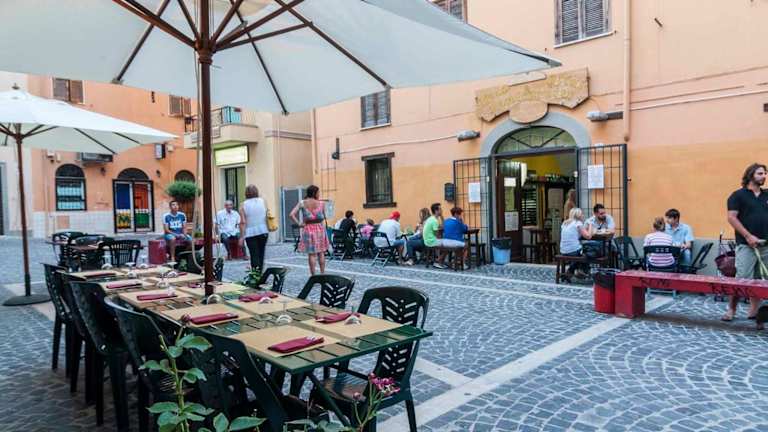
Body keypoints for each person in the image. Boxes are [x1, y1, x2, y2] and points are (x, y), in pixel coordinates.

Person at [723, 163, 768, 326]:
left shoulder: (766, 195)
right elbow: (731, 218)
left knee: (760, 280)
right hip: (746, 246)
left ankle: (754, 311)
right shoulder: (738, 196)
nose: (764, 176)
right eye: (760, 173)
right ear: (750, 175)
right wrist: (748, 236)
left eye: (765, 173)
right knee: (741, 280)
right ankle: (731, 309)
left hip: (765, 245)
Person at [290, 185, 329, 275]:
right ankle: (322, 274)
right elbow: (324, 217)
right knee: (321, 252)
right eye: (318, 192)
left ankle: (313, 275)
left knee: (312, 254)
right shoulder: (321, 203)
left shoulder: (302, 203)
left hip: (308, 229)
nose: (319, 194)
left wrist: (299, 224)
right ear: (314, 193)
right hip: (319, 229)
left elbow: (291, 214)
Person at [238, 185, 269, 272]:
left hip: (250, 233)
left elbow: (243, 222)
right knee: (261, 254)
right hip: (263, 230)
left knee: (253, 254)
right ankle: (260, 272)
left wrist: (241, 237)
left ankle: (255, 274)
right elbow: (266, 214)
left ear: (246, 193)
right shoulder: (263, 201)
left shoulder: (243, 205)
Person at [559, 208, 594, 280]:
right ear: (578, 215)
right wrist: (591, 224)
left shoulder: (565, 223)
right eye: (582, 214)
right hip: (573, 251)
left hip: (563, 250)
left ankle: (570, 272)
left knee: (581, 252)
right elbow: (588, 236)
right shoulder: (578, 223)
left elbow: (575, 233)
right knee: (589, 252)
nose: (583, 215)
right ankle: (583, 270)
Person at [422, 202, 448, 269]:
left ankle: (439, 261)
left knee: (445, 243)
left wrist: (441, 217)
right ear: (436, 211)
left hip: (427, 240)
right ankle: (438, 262)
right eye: (440, 209)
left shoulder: (431, 218)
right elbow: (437, 235)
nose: (442, 210)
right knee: (448, 246)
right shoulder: (434, 221)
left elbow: (441, 227)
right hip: (431, 241)